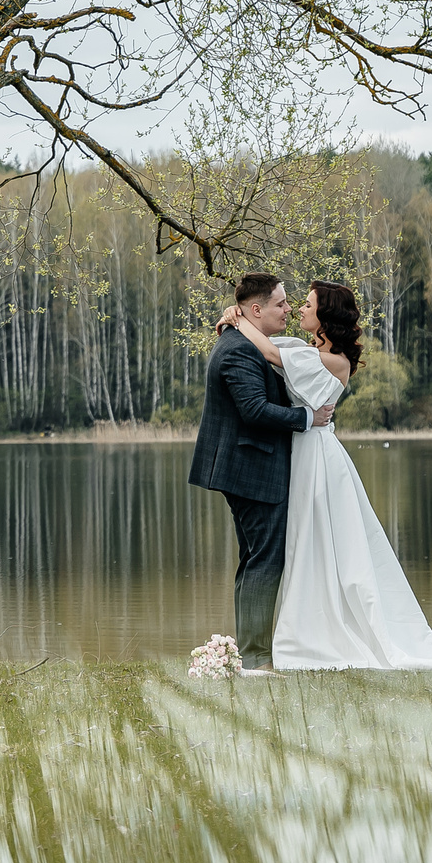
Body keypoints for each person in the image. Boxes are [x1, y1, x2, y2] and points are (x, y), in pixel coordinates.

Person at [216, 281, 432, 674]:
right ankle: (296, 633)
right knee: (306, 545)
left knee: (324, 542)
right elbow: (271, 349)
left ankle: (313, 636)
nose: (297, 309)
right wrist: (234, 320)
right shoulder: (309, 352)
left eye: (306, 304)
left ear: (326, 317)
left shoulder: (334, 360)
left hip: (317, 457)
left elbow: (268, 350)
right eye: (293, 303)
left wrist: (237, 321)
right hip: (300, 453)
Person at [188, 272, 333, 673]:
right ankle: (255, 658)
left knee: (256, 558)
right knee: (264, 560)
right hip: (251, 468)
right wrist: (308, 417)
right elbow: (254, 409)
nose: (288, 309)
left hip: (250, 465)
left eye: (290, 303)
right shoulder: (238, 351)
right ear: (256, 310)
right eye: (281, 304)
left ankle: (251, 654)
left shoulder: (246, 342)